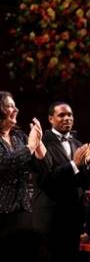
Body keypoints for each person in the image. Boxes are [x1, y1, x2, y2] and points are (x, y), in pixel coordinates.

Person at [32, 101, 90, 262]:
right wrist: (74, 164)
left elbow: (85, 183)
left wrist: (88, 164)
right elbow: (49, 180)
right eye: (61, 115)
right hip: (51, 218)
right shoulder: (42, 143)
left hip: (72, 218)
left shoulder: (78, 144)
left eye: (70, 115)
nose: (67, 118)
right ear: (50, 119)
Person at [0, 91, 49, 237]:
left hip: (22, 208)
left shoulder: (19, 136)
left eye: (15, 106)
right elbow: (5, 162)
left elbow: (39, 167)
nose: (16, 110)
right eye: (10, 106)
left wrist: (39, 144)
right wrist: (31, 147)